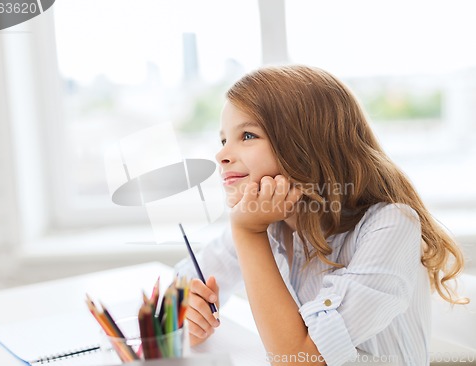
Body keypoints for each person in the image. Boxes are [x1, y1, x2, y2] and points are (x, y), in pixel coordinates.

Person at [174, 65, 468, 366]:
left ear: (306, 146)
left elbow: (298, 360)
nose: (221, 155)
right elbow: (180, 288)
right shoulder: (269, 221)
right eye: (224, 140)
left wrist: (249, 234)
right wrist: (189, 311)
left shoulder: (392, 225)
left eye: (247, 135)